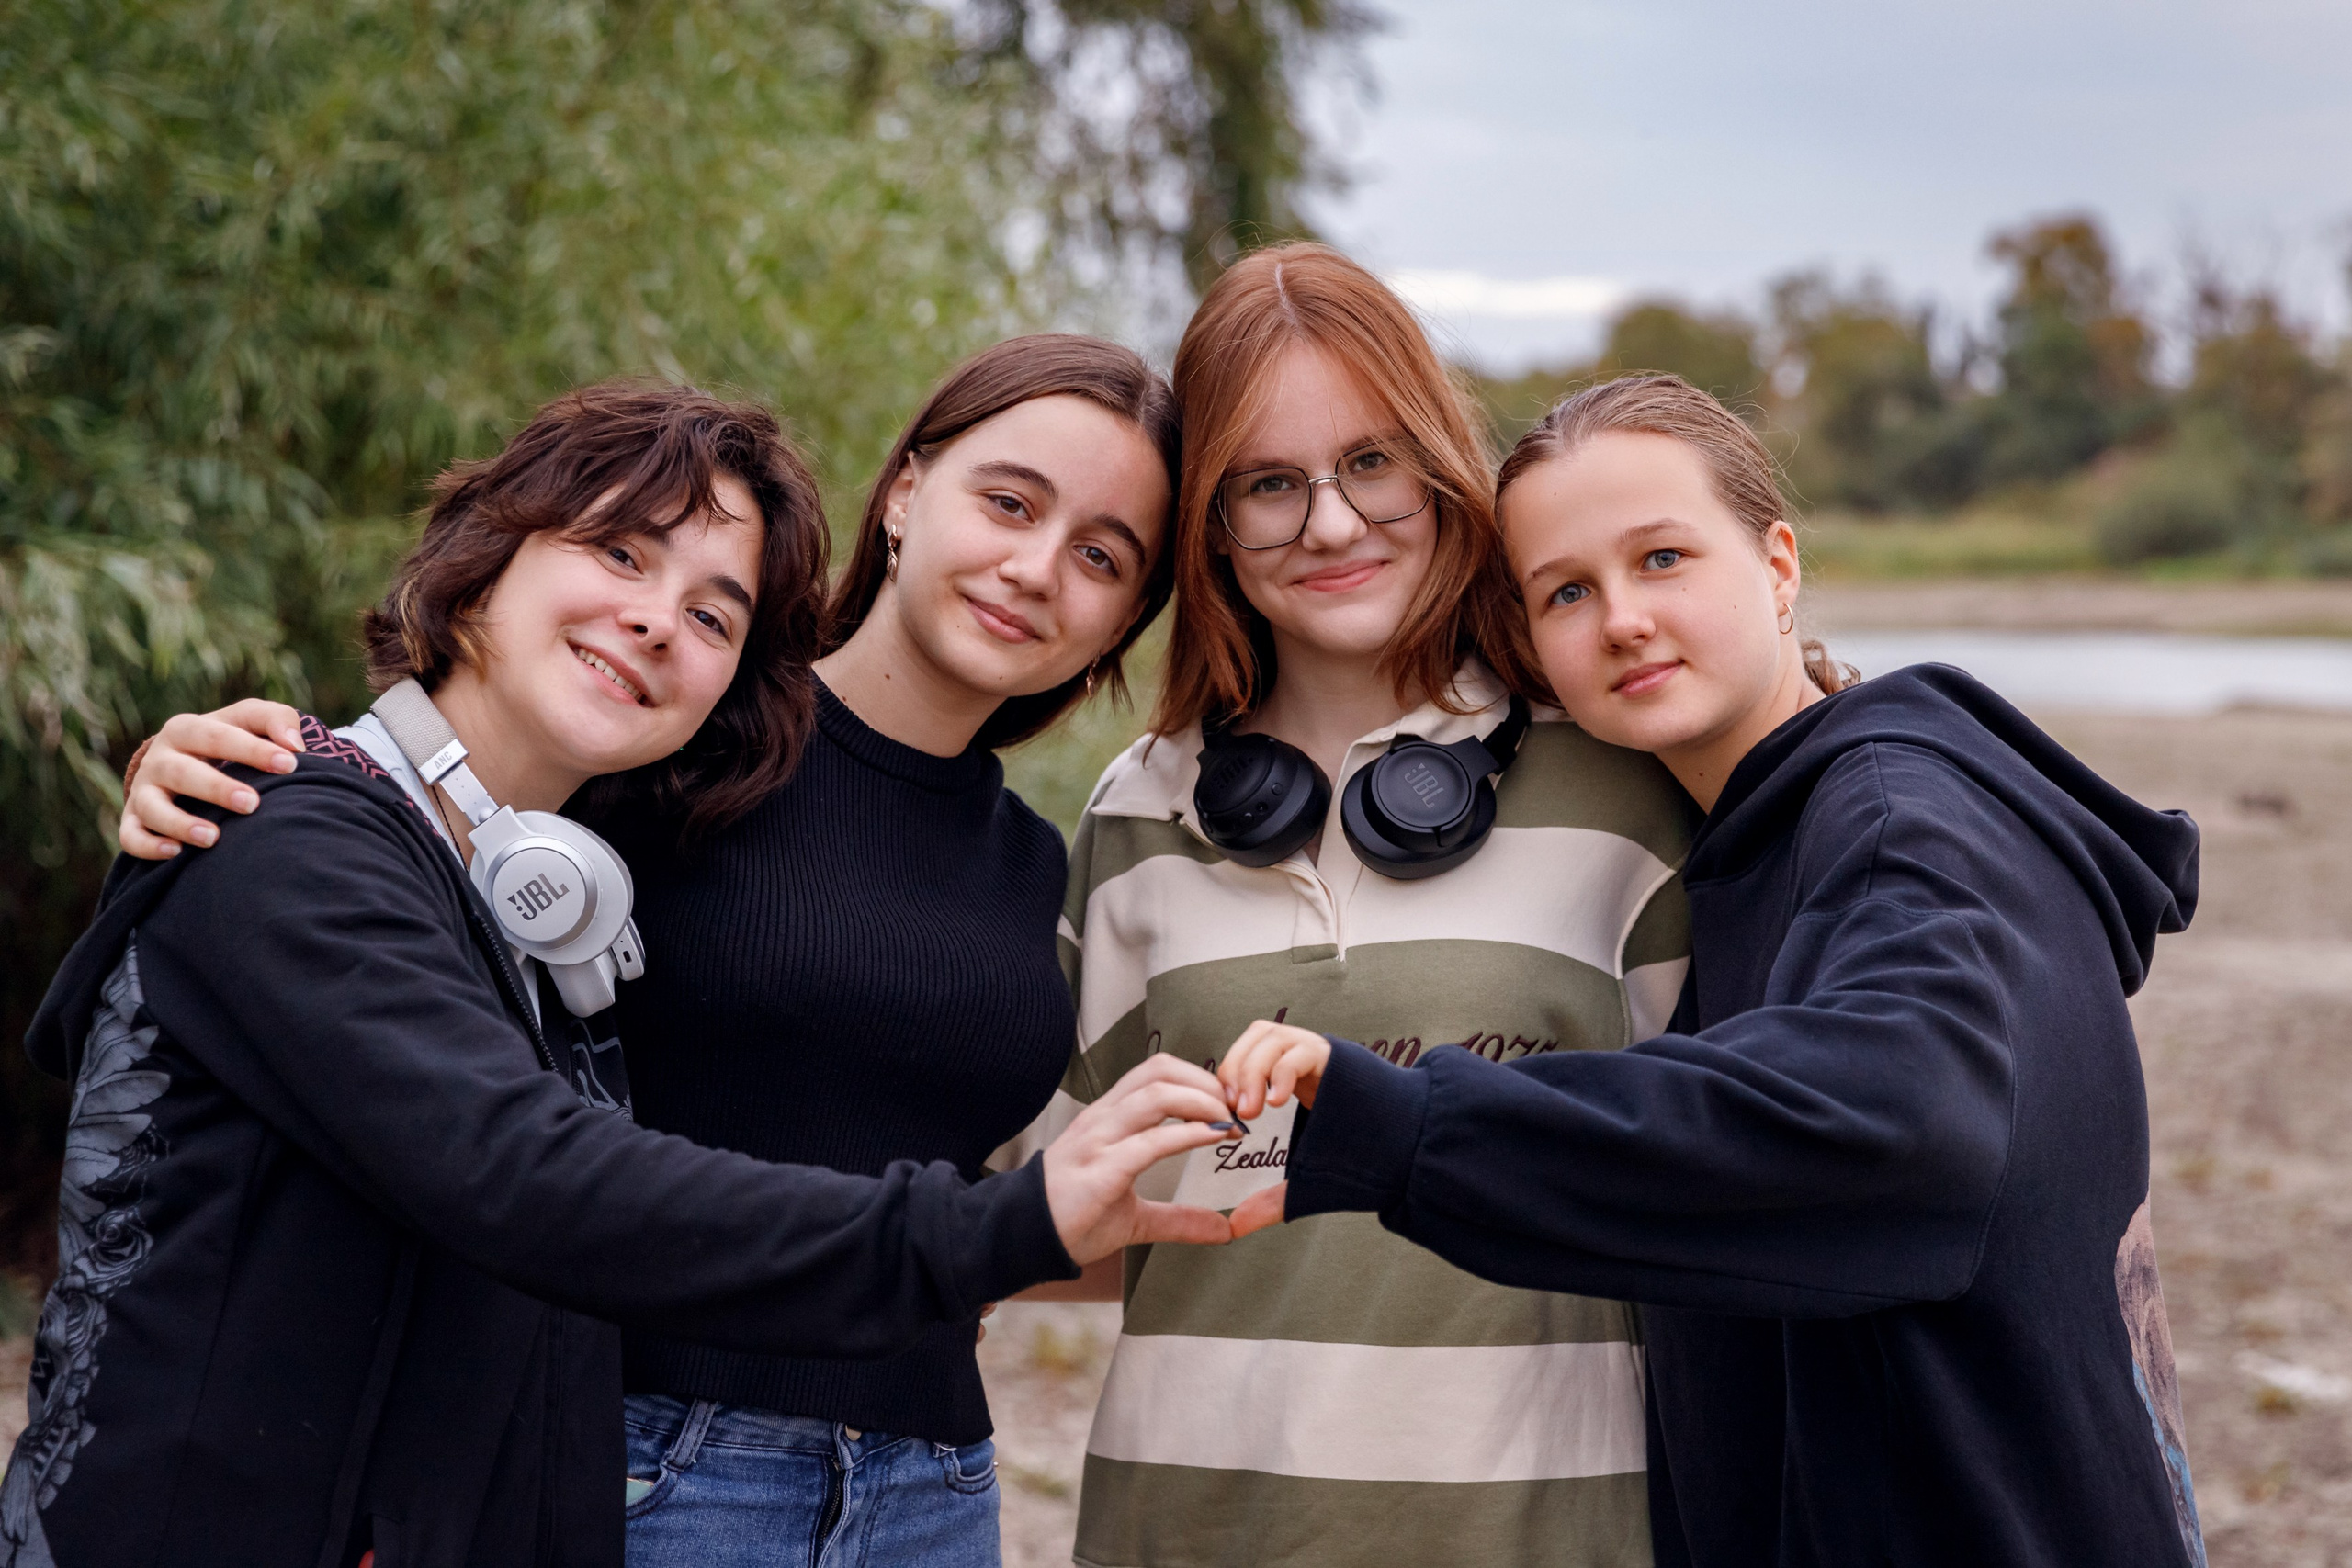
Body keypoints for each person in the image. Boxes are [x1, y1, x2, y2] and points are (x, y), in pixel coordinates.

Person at [17, 378, 1233, 1568]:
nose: (1037, 566)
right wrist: (219, 771)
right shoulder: (627, 770)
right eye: (1012, 504)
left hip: (930, 1479)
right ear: (906, 491)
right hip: (645, 1472)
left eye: (1104, 557)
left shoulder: (1018, 859)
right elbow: (514, 1156)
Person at [1216, 373, 2210, 1568]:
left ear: (1779, 566)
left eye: (1665, 558)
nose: (1622, 617)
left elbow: (1901, 1116)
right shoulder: (1758, 853)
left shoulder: (1910, 825)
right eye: (1566, 591)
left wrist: (1415, 1117)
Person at [1016, 246, 1697, 1567]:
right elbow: (1066, 1217)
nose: (1330, 526)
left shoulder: (1625, 784)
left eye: (1373, 462)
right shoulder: (1139, 806)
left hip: (1553, 1534)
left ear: (1442, 465)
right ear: (1208, 524)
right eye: (1268, 484)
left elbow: (1710, 1186)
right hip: (1191, 1527)